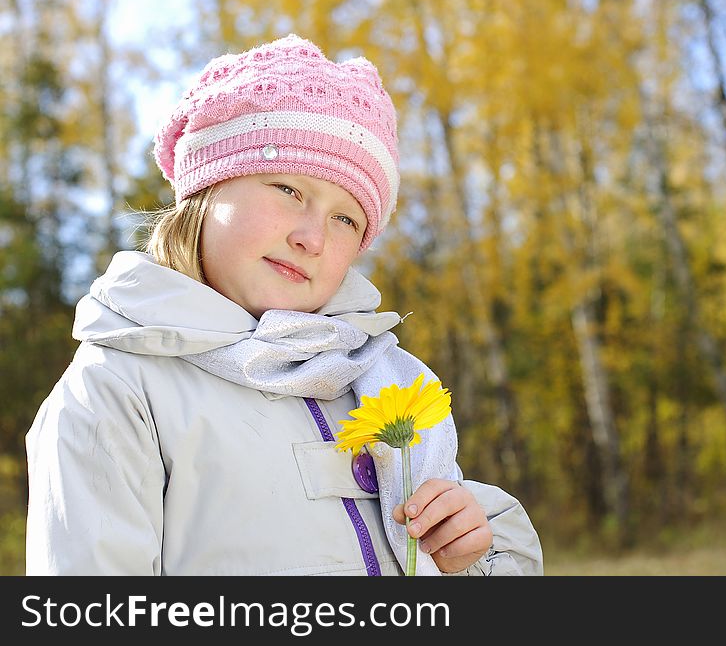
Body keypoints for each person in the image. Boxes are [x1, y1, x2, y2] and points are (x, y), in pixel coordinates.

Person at [25, 34, 542, 576]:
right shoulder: (118, 391)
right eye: (288, 189)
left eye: (346, 219)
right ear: (208, 190)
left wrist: (467, 556)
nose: (312, 238)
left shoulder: (383, 383)